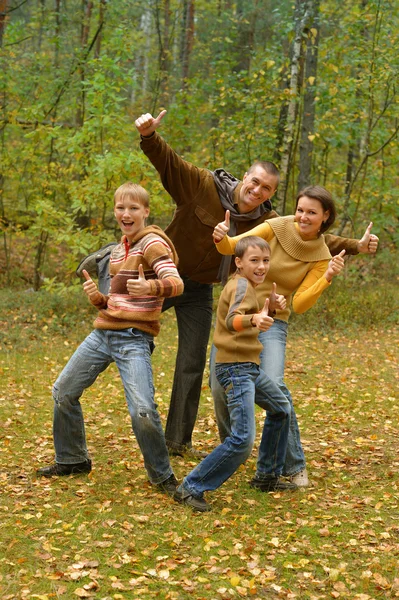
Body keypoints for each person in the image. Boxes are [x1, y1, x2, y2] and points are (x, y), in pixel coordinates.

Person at [76, 109, 379, 457]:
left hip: (202, 291)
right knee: (118, 330)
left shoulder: (268, 219)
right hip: (161, 276)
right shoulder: (203, 185)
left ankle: (176, 440)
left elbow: (312, 233)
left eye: (266, 188)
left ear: (270, 194)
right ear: (243, 177)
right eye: (254, 181)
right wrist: (149, 137)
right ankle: (101, 314)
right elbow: (170, 163)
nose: (256, 190)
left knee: (191, 361)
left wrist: (357, 245)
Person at [37, 182, 184, 497]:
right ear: (115, 211)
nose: (126, 213)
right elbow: (117, 303)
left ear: (145, 211)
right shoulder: (120, 248)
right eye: (121, 207)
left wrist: (152, 288)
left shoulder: (153, 243)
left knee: (143, 411)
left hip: (133, 339)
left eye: (133, 208)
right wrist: (99, 300)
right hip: (103, 333)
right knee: (63, 392)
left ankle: (163, 477)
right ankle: (73, 459)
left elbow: (176, 282)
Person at [211, 185, 349, 488]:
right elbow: (234, 247)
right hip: (238, 313)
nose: (302, 216)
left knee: (273, 385)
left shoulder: (322, 255)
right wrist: (221, 237)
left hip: (273, 321)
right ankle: (233, 450)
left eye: (311, 212)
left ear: (325, 217)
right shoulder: (276, 226)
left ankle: (292, 465)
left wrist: (326, 278)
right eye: (300, 209)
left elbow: (299, 304)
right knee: (221, 387)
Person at [174, 236, 297, 512]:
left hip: (248, 366)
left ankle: (266, 476)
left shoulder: (246, 285)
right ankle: (191, 486)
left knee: (281, 409)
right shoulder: (242, 285)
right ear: (238, 262)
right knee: (242, 439)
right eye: (254, 260)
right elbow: (233, 320)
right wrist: (254, 319)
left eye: (265, 260)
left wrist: (270, 309)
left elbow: (248, 313)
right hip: (236, 367)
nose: (262, 266)